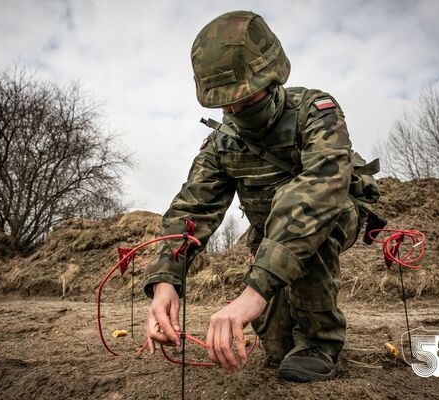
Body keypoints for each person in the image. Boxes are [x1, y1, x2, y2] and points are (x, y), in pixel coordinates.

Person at [143, 10, 376, 382]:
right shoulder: (223, 142)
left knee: (301, 210)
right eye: (225, 104)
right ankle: (291, 334)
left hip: (333, 218)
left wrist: (253, 294)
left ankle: (321, 342)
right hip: (268, 235)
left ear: (271, 80)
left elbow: (319, 193)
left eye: (244, 100)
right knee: (280, 352)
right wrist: (165, 282)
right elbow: (193, 207)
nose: (234, 111)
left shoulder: (315, 112)